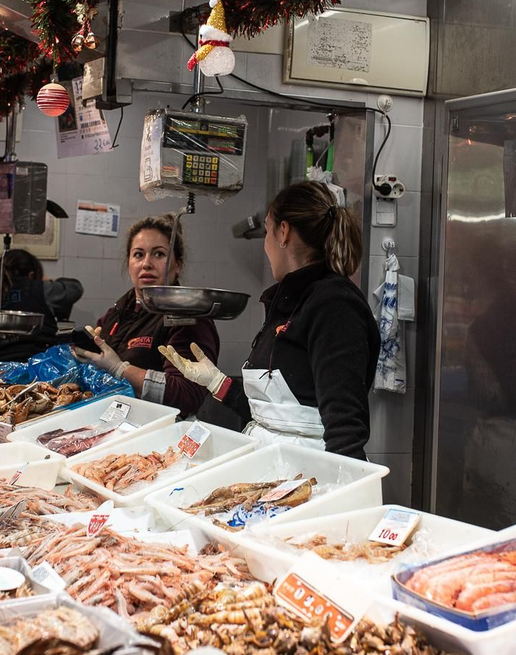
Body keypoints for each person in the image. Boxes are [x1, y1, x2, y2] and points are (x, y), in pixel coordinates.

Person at [162, 181, 379, 457]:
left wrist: (340, 482)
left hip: (312, 471)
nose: (265, 244)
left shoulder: (335, 305)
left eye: (267, 231)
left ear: (283, 232)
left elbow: (346, 426)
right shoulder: (289, 302)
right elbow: (273, 418)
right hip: (274, 463)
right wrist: (217, 382)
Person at [71, 215, 221, 418]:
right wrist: (87, 353)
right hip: (114, 423)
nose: (146, 264)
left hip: (163, 430)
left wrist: (120, 369)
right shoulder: (117, 313)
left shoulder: (188, 318)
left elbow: (187, 396)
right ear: (129, 262)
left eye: (159, 254)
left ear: (178, 264)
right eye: (138, 255)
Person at [0, 249, 83, 362]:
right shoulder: (40, 288)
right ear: (31, 275)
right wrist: (46, 281)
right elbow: (75, 288)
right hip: (37, 366)